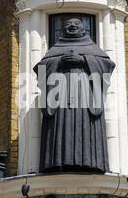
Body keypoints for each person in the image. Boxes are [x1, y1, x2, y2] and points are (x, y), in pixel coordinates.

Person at [34, 18, 115, 173]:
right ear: (63, 30)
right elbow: (41, 68)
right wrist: (58, 62)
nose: (72, 26)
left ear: (83, 29)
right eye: (68, 24)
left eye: (76, 24)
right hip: (59, 96)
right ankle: (57, 162)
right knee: (61, 126)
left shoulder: (92, 47)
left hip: (86, 95)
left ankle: (89, 163)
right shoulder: (55, 49)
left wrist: (84, 60)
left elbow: (107, 65)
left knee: (84, 125)